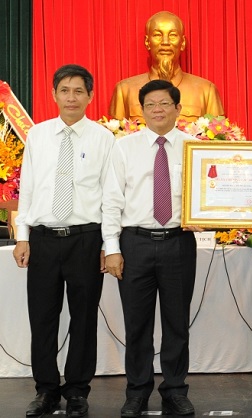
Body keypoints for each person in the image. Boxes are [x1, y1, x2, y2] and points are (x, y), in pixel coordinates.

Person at [12, 64, 115, 417]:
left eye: (78, 91)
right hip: (42, 239)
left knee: (84, 317)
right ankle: (46, 390)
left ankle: (77, 390)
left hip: (86, 239)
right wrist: (22, 236)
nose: (71, 97)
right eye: (64, 90)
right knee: (42, 317)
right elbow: (27, 188)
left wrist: (108, 243)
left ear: (90, 96)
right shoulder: (37, 135)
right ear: (54, 94)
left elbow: (110, 195)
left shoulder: (104, 138)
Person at [102, 79, 202, 417]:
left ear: (178, 108)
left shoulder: (195, 148)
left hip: (178, 243)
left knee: (177, 322)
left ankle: (175, 389)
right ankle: (137, 391)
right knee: (137, 324)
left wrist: (207, 213)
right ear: (141, 110)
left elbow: (208, 193)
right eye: (150, 105)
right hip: (134, 244)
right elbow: (111, 200)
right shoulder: (124, 147)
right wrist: (112, 247)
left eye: (164, 103)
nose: (157, 110)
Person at [109, 11, 224, 124]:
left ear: (182, 42)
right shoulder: (124, 90)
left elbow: (216, 138)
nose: (165, 42)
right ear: (147, 42)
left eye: (173, 35)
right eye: (157, 35)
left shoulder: (206, 91)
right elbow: (117, 137)